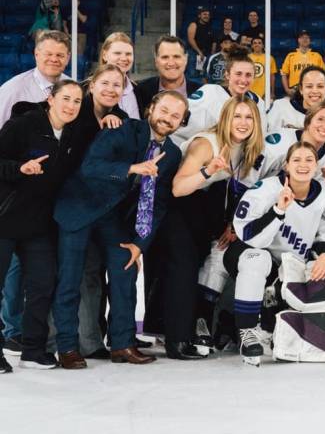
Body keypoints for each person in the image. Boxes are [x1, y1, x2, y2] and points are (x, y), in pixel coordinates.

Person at [51, 91, 187, 368]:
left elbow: (157, 204)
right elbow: (90, 166)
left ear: (182, 121)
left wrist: (140, 243)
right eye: (164, 110)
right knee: (70, 279)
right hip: (79, 208)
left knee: (124, 267)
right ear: (151, 108)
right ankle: (66, 347)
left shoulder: (172, 153)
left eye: (175, 115)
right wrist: (133, 168)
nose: (168, 118)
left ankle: (123, 344)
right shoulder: (124, 129)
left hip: (111, 217)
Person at [229, 141, 325, 366]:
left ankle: (268, 324)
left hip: (288, 266)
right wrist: (278, 210)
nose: (303, 165)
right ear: (286, 165)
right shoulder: (266, 189)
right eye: (297, 160)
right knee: (257, 258)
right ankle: (247, 332)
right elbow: (249, 235)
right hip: (252, 253)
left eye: (309, 160)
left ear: (317, 165)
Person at [166, 96, 264, 360]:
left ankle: (191, 330)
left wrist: (233, 223)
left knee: (199, 266)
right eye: (237, 116)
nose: (243, 123)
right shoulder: (206, 144)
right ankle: (176, 342)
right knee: (184, 271)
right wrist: (209, 171)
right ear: (225, 119)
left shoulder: (244, 148)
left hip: (205, 210)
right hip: (179, 208)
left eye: (248, 117)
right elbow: (178, 188)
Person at [0, 79, 84, 371]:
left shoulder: (73, 133)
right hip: (5, 216)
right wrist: (19, 169)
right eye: (66, 99)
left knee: (43, 282)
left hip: (38, 223)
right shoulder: (24, 125)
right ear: (51, 98)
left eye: (77, 101)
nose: (71, 106)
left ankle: (33, 350)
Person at [174, 47, 266, 147]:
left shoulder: (258, 102)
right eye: (238, 74)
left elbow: (259, 138)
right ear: (227, 75)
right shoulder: (210, 93)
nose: (243, 80)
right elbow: (181, 128)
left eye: (248, 75)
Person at [0, 30, 70, 126]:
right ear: (36, 54)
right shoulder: (12, 90)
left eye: (60, 55)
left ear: (68, 58)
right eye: (48, 54)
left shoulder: (74, 88)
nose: (54, 59)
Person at [134, 35, 199, 115]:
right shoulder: (141, 91)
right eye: (165, 57)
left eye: (176, 57)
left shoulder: (201, 91)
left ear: (185, 59)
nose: (171, 63)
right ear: (156, 61)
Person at [265, 65, 325, 135]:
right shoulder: (281, 107)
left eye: (320, 86)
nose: (314, 91)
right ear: (301, 89)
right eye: (309, 86)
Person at [97, 32, 138, 118]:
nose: (124, 58)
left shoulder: (138, 90)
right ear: (104, 55)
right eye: (117, 53)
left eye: (128, 54)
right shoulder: (87, 89)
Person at [280, 30, 325, 96]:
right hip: (295, 89)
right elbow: (284, 74)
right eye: (302, 37)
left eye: (307, 37)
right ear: (298, 40)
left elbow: (323, 74)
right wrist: (287, 89)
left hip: (312, 88)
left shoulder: (317, 56)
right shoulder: (291, 55)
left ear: (310, 40)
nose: (305, 39)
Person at [186, 7, 217, 79]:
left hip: (206, 54)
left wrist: (212, 55)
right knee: (193, 74)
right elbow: (191, 39)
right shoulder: (194, 24)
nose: (207, 16)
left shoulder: (210, 27)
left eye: (208, 15)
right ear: (199, 15)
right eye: (204, 14)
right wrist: (199, 52)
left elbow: (213, 42)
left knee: (204, 75)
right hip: (194, 53)